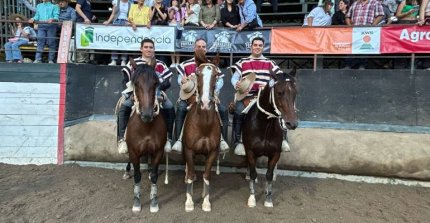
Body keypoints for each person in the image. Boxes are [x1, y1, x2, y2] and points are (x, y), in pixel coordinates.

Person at [230, 36, 290, 156]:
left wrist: (269, 84)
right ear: (251, 46)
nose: (257, 47)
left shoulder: (270, 63)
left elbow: (279, 79)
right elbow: (235, 77)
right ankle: (238, 142)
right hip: (247, 96)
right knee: (239, 111)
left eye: (260, 45)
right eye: (255, 45)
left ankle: (283, 140)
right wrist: (236, 83)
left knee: (281, 110)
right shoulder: (242, 62)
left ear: (263, 47)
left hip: (266, 97)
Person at [117, 38, 175, 154]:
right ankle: (121, 138)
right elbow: (125, 80)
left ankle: (168, 138)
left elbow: (168, 81)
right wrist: (130, 94)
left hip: (157, 95)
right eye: (146, 47)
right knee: (124, 106)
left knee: (169, 107)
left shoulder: (161, 64)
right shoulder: (134, 63)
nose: (149, 49)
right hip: (137, 95)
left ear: (154, 49)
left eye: (151, 47)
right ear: (141, 49)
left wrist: (159, 89)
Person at [173, 38, 229, 153]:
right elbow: (179, 79)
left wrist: (214, 91)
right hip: (189, 96)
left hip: (208, 97)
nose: (201, 49)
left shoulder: (212, 65)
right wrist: (182, 81)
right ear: (194, 48)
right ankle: (178, 140)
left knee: (223, 110)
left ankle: (222, 141)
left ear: (206, 49)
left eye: (203, 47)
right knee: (181, 108)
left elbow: (220, 81)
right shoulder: (185, 64)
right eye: (198, 46)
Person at [345, 0, 384, 69]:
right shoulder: (355, 3)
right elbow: (347, 16)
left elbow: (380, 15)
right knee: (352, 47)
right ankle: (348, 66)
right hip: (355, 31)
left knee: (365, 47)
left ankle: (362, 66)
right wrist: (350, 26)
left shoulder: (375, 3)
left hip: (367, 30)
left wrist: (373, 25)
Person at [104, 0, 133, 66]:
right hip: (117, 22)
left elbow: (131, 15)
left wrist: (130, 22)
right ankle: (114, 60)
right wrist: (108, 22)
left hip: (126, 23)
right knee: (115, 41)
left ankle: (123, 60)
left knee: (125, 41)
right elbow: (113, 13)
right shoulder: (116, 2)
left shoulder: (130, 3)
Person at [168, 0, 185, 67]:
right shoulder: (169, 8)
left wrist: (181, 25)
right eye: (173, 1)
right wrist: (172, 10)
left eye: (175, 1)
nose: (174, 2)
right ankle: (173, 62)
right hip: (171, 26)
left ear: (178, 2)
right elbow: (170, 17)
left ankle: (178, 62)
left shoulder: (182, 9)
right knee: (172, 45)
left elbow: (183, 19)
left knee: (178, 45)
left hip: (178, 27)